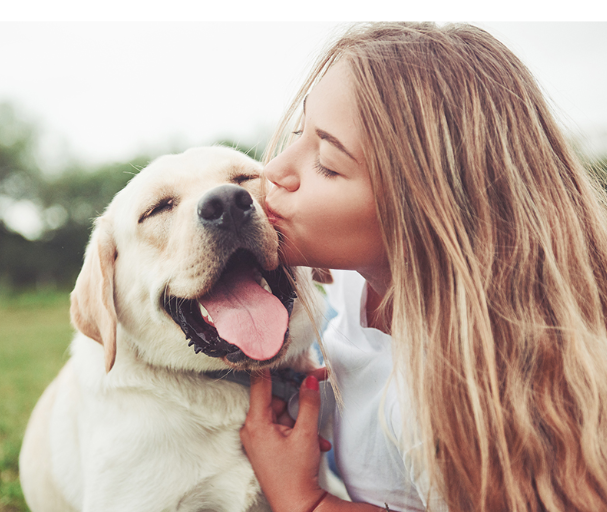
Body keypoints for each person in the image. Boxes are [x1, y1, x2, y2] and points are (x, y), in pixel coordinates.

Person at [239, 21, 607, 512]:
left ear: (425, 208)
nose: (276, 170)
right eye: (298, 133)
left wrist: (303, 500)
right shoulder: (354, 284)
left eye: (327, 162)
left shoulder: (463, 390)